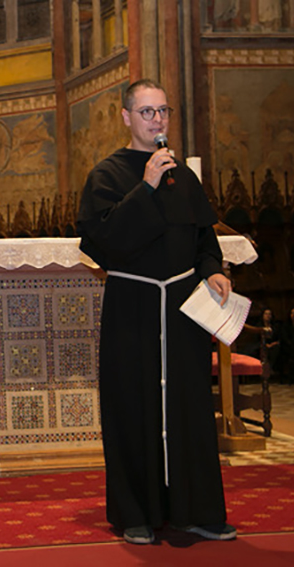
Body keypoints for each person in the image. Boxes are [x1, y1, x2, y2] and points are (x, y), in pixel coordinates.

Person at [76, 79, 235, 545]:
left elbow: (204, 239)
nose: (158, 120)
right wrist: (144, 188)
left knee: (190, 408)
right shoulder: (106, 176)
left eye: (163, 111)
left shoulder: (184, 177)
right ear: (127, 117)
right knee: (133, 407)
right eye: (147, 112)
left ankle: (195, 510)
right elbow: (103, 243)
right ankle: (136, 514)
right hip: (134, 308)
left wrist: (213, 270)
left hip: (183, 310)